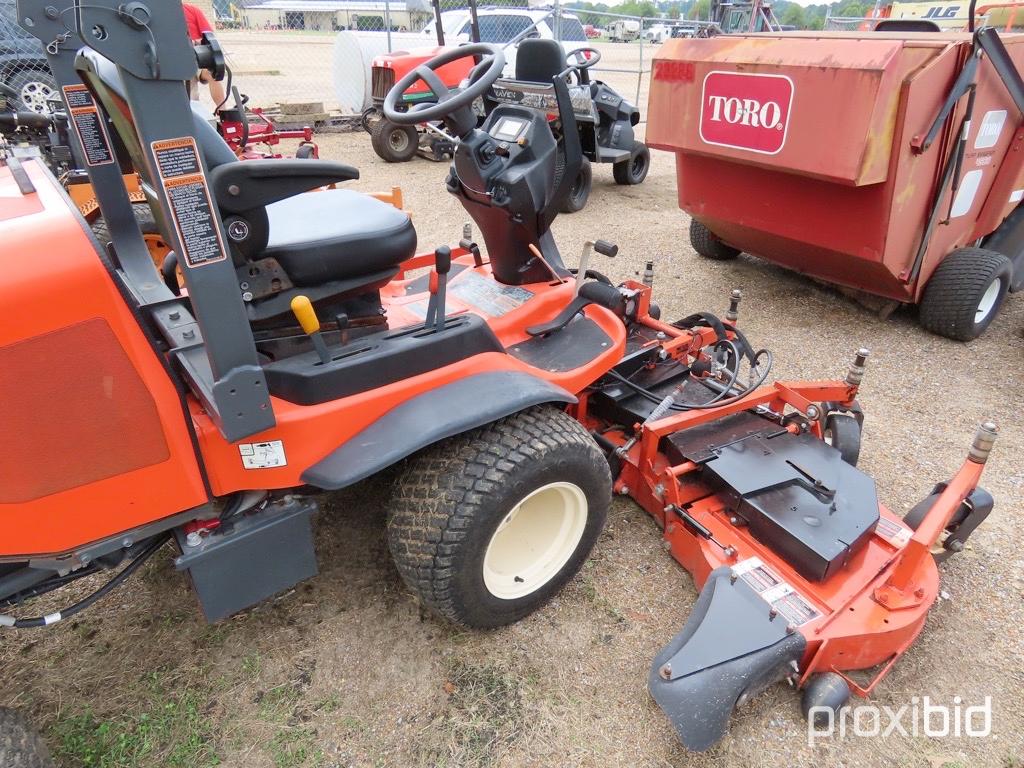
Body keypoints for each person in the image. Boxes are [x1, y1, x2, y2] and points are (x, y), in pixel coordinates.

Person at [182, 3, 226, 110]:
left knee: (211, 74)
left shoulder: (192, 10)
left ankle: (223, 112)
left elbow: (209, 36)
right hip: (169, 58)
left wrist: (196, 42)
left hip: (195, 57)